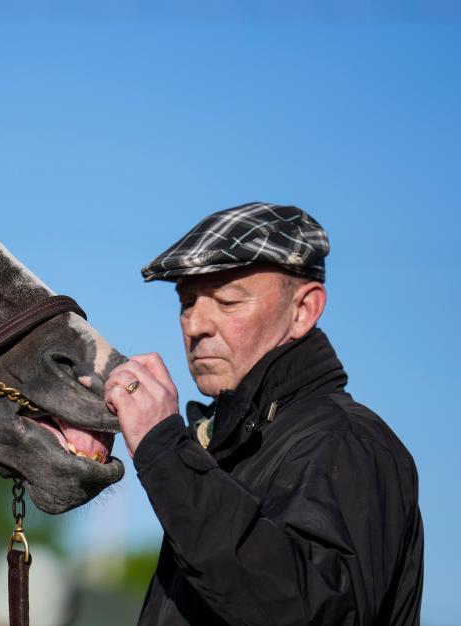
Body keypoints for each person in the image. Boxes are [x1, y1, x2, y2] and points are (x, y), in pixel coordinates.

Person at [104, 203, 423, 625]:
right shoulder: (232, 446)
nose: (196, 324)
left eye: (229, 301)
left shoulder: (344, 441)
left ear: (303, 310)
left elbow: (311, 613)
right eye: (186, 301)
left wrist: (164, 449)